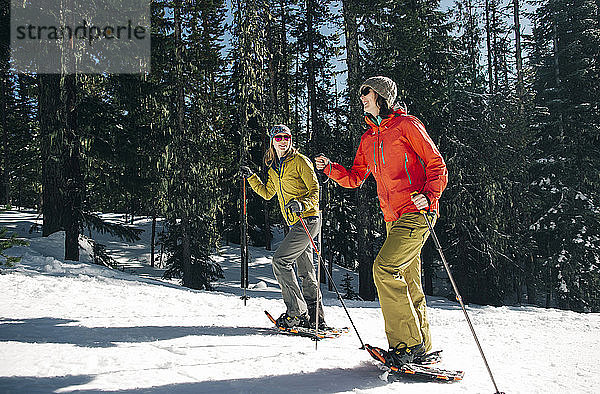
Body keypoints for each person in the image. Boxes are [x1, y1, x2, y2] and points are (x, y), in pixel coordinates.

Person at [315, 76, 448, 366]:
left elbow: (437, 164)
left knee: (385, 269)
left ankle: (406, 345)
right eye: (361, 93)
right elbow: (355, 177)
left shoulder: (407, 125)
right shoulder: (368, 139)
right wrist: (330, 169)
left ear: (383, 96)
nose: (362, 97)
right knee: (409, 281)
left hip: (418, 211)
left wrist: (429, 194)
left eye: (367, 92)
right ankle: (421, 346)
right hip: (393, 218)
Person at [240, 124, 327, 329]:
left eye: (286, 137)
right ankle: (316, 317)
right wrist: (252, 177)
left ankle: (296, 313)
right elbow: (268, 193)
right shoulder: (274, 167)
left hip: (308, 219)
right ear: (272, 141)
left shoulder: (300, 161)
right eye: (278, 138)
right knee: (306, 270)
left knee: (280, 261)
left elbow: (315, 189)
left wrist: (302, 203)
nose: (283, 141)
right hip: (295, 222)